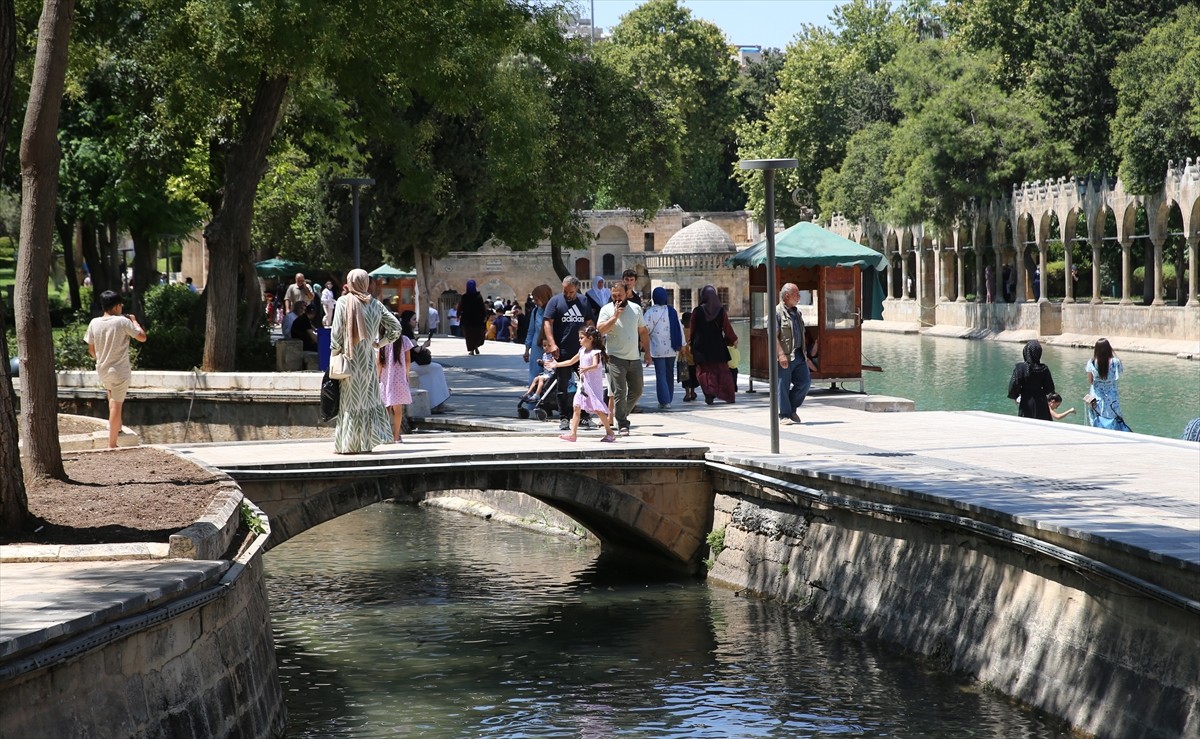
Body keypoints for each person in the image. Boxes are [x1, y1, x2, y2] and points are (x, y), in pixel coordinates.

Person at [330, 269, 402, 454]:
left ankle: (349, 444)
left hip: (349, 360)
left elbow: (336, 334)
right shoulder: (376, 304)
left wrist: (334, 354)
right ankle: (367, 443)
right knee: (367, 402)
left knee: (350, 402)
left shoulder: (343, 302)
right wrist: (379, 343)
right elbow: (396, 328)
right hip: (369, 362)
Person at [85, 290, 147, 448]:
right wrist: (134, 321)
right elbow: (142, 337)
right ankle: (112, 444)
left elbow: (91, 349)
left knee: (111, 397)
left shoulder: (94, 322)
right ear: (117, 306)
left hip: (103, 369)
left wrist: (101, 358)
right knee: (116, 405)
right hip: (120, 370)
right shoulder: (122, 322)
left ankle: (117, 427)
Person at [543, 275, 597, 431]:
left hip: (582, 352)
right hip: (563, 351)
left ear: (577, 289)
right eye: (565, 291)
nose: (568, 295)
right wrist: (552, 344)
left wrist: (593, 342)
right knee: (562, 386)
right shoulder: (555, 301)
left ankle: (585, 417)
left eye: (571, 292)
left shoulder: (583, 301)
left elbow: (589, 322)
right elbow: (547, 322)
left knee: (586, 384)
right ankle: (564, 418)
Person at [597, 281, 650, 435]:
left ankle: (620, 414)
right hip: (615, 358)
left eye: (620, 295)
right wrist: (615, 316)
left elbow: (643, 331)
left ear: (627, 293)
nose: (617, 299)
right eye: (614, 296)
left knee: (637, 390)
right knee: (620, 391)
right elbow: (600, 330)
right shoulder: (606, 309)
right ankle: (623, 424)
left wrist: (647, 352)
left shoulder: (636, 308)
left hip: (634, 357)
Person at [553, 326, 615, 442]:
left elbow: (595, 365)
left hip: (592, 386)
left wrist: (586, 368)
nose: (579, 340)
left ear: (590, 338)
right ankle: (573, 434)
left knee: (598, 410)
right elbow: (571, 361)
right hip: (583, 385)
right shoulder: (581, 351)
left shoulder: (595, 352)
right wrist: (557, 364)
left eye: (581, 338)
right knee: (576, 407)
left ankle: (609, 432)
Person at [689, 285, 737, 405]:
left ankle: (709, 394)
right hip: (717, 345)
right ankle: (728, 395)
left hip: (701, 346)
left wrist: (690, 343)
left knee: (704, 371)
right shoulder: (720, 311)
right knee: (721, 370)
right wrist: (733, 339)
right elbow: (727, 327)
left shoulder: (697, 311)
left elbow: (692, 329)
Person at [774, 283, 815, 423]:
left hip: (799, 354)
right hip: (785, 355)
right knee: (783, 385)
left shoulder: (797, 313)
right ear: (787, 296)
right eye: (796, 294)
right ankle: (784, 415)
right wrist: (780, 355)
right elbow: (773, 336)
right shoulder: (777, 313)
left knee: (805, 382)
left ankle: (791, 408)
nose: (799, 297)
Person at [399, 309, 452, 413]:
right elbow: (417, 350)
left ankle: (436, 403)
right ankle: (439, 402)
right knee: (437, 368)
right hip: (411, 364)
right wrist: (425, 345)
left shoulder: (405, 332)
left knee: (431, 375)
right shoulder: (407, 333)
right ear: (408, 321)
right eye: (414, 319)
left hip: (409, 363)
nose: (416, 321)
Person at [644, 287, 684, 409]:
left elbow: (645, 330)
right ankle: (669, 398)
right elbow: (679, 328)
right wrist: (682, 344)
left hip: (657, 348)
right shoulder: (672, 311)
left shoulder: (650, 312)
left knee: (660, 374)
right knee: (669, 373)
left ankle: (664, 401)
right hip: (671, 348)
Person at [378, 315, 414, 443]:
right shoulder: (404, 340)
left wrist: (377, 376)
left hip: (385, 378)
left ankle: (384, 435)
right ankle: (396, 435)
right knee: (398, 409)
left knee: (385, 407)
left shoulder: (380, 341)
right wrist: (406, 374)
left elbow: (379, 362)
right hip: (399, 378)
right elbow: (408, 360)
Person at [1085, 338, 1128, 431]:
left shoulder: (1091, 362)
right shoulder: (1116, 362)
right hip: (1112, 398)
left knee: (1097, 421)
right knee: (1114, 420)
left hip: (1097, 397)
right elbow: (1119, 373)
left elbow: (1090, 381)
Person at [1006, 340, 1055, 420]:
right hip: (1041, 402)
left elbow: (1013, 388)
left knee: (1026, 425)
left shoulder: (1020, 368)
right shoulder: (1044, 369)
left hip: (1026, 401)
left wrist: (1017, 395)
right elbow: (1049, 389)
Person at [523, 284, 554, 384]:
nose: (535, 302)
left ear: (544, 297)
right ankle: (534, 391)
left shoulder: (555, 310)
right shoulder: (536, 311)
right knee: (535, 373)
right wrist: (527, 350)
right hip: (537, 346)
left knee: (551, 372)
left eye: (537, 299)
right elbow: (531, 331)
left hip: (551, 346)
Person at [457, 279, 487, 355]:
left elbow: (460, 307)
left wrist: (458, 315)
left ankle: (472, 349)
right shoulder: (478, 296)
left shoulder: (465, 297)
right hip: (477, 319)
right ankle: (475, 347)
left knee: (469, 335)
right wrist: (484, 316)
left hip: (467, 320)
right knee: (477, 334)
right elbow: (482, 307)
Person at [678, 310, 699, 402]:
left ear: (682, 322)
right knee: (694, 377)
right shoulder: (694, 332)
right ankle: (693, 392)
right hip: (693, 359)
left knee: (685, 378)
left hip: (683, 359)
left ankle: (687, 394)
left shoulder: (680, 332)